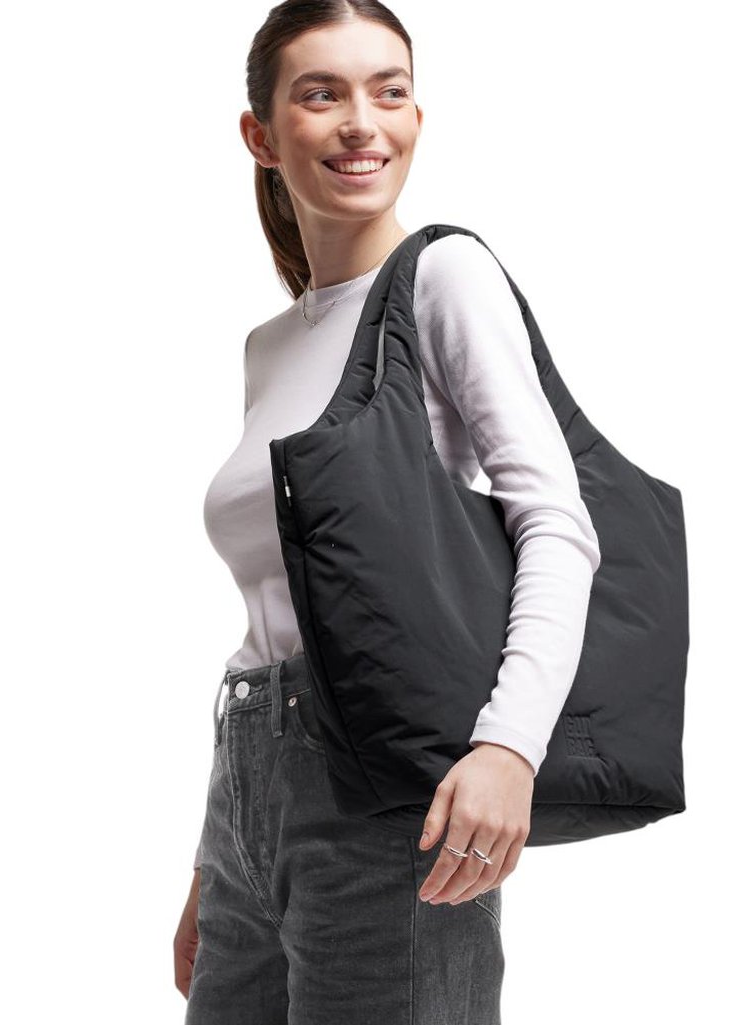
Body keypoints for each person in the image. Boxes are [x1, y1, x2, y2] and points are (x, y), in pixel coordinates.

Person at [174, 2, 601, 1021]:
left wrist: (508, 747)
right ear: (261, 135)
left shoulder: (443, 279)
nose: (361, 121)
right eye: (321, 94)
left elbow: (556, 521)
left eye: (389, 90)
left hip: (390, 791)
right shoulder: (271, 345)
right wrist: (217, 852)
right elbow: (279, 615)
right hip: (249, 787)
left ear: (415, 115)